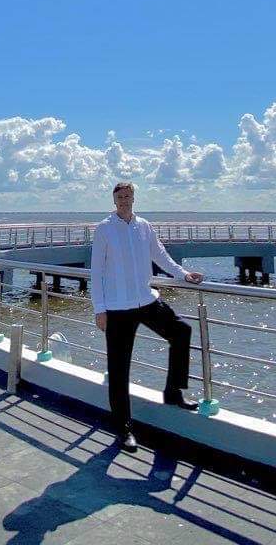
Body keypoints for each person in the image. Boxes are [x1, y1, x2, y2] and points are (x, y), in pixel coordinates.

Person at [91, 182, 204, 452]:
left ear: (133, 198)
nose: (124, 200)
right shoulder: (104, 229)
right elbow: (96, 271)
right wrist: (99, 308)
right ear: (114, 200)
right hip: (117, 309)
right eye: (120, 197)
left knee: (181, 331)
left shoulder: (144, 226)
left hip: (146, 300)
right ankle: (124, 428)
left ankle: (173, 392)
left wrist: (183, 274)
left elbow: (160, 255)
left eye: (128, 196)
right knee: (119, 371)